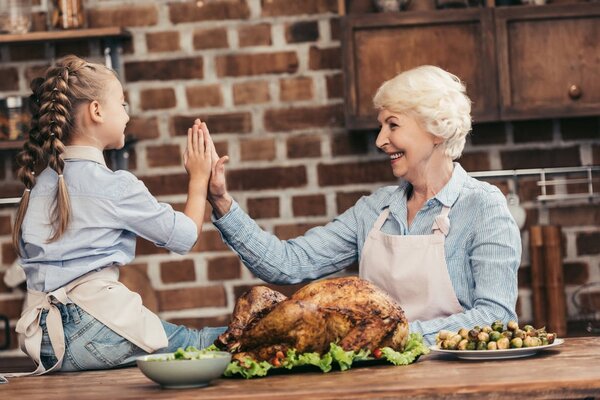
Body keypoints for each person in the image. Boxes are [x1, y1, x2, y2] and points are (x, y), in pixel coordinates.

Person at [204, 65, 522, 345]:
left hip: (457, 383)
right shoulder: (373, 211)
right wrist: (221, 201)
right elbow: (288, 263)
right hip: (378, 380)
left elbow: (494, 315)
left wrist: (393, 336)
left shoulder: (483, 207)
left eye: (393, 125)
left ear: (436, 130)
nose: (380, 140)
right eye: (381, 126)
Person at [8, 55, 224, 376]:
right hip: (96, 330)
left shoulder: (35, 187)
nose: (126, 115)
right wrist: (198, 178)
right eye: (122, 104)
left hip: (45, 342)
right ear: (97, 111)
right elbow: (185, 236)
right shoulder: (114, 186)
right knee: (213, 343)